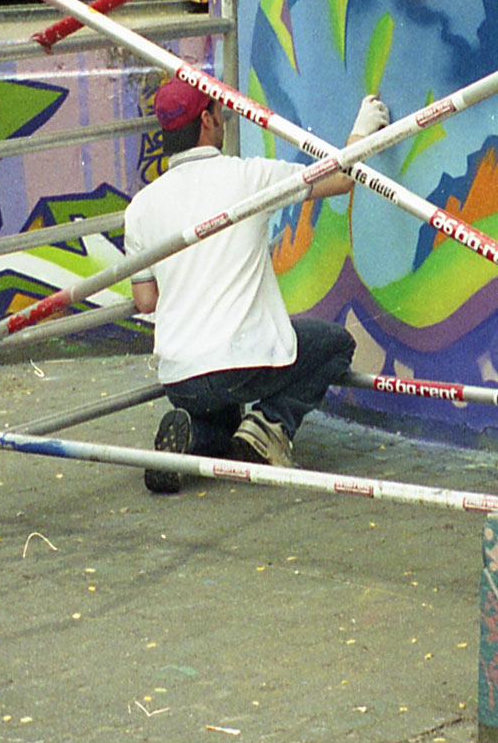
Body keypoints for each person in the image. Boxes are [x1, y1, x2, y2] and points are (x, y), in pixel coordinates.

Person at [125, 76, 391, 494]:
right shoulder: (248, 177)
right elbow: (339, 178)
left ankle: (192, 437)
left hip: (180, 377)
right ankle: (268, 428)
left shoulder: (141, 207)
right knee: (334, 343)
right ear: (208, 120)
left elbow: (145, 300)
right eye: (219, 111)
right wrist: (363, 128)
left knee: (221, 423)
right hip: (241, 365)